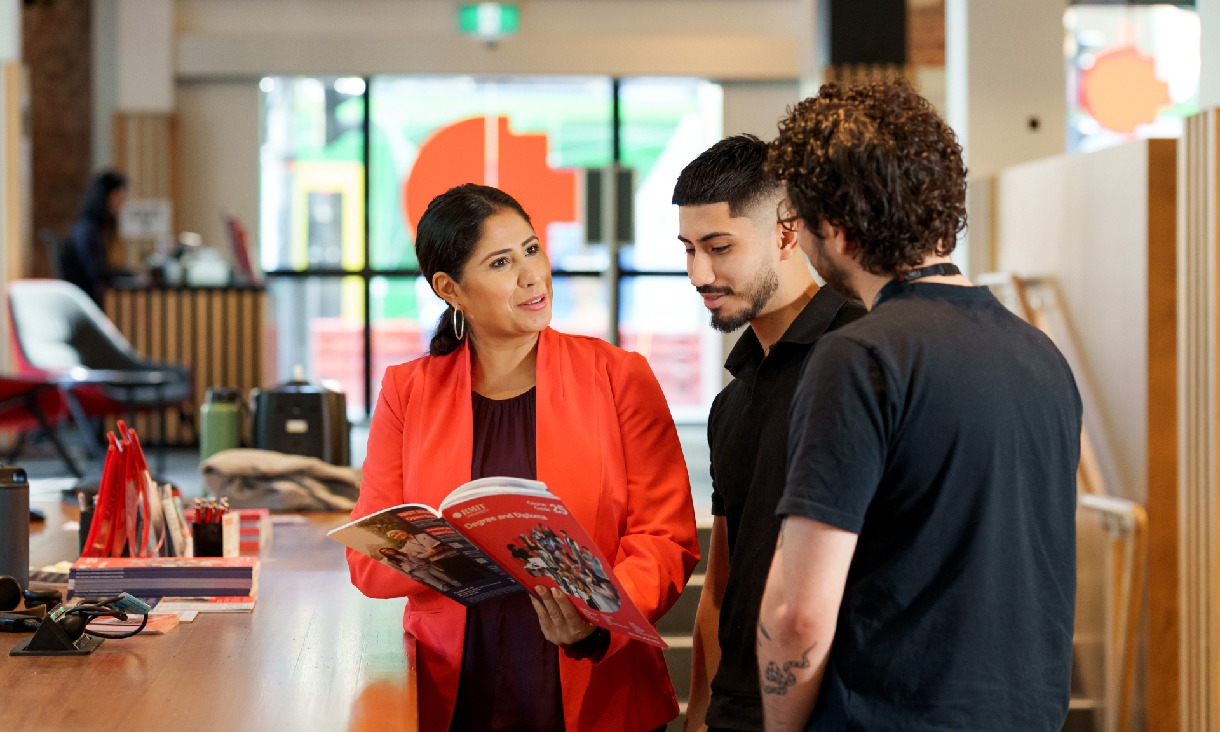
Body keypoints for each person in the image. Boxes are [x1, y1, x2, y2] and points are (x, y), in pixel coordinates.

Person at [755, 79, 1082, 731]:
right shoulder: (1042, 357)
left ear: (836, 229)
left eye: (797, 221)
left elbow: (797, 612)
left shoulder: (859, 358)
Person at [346, 183, 699, 732]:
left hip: (599, 684)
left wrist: (596, 620)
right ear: (451, 289)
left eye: (532, 250)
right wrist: (465, 558)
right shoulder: (407, 391)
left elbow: (665, 538)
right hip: (456, 688)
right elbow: (368, 559)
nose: (531, 275)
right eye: (501, 262)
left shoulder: (617, 376)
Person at [671, 134, 865, 732]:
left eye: (719, 247)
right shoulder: (733, 399)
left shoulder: (860, 355)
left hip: (837, 709)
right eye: (687, 249)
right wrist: (701, 716)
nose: (699, 273)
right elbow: (721, 584)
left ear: (786, 233)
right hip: (738, 711)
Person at [61, 170, 129, 305]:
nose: (122, 203)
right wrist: (127, 276)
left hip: (86, 298)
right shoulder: (86, 229)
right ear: (105, 196)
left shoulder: (88, 227)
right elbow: (96, 272)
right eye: (118, 196)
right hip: (86, 300)